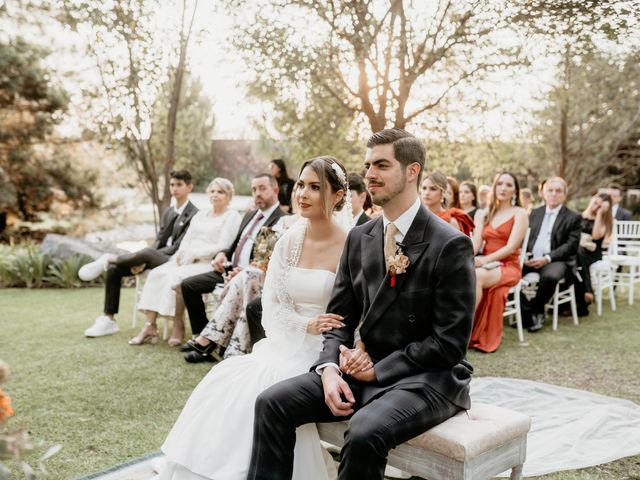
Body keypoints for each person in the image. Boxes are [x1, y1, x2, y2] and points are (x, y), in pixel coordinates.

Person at [248, 128, 475, 480]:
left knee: (365, 432)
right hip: (358, 370)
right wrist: (330, 369)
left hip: (427, 379)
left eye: (382, 165)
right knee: (272, 402)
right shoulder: (360, 236)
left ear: (412, 171)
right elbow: (339, 317)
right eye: (368, 164)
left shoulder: (450, 244)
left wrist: (378, 371)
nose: (369, 174)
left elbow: (449, 344)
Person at [154, 156, 350, 480]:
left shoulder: (350, 245)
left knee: (266, 388)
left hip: (323, 350)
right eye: (301, 184)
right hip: (287, 340)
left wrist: (325, 335)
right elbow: (270, 305)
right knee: (225, 377)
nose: (302, 193)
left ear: (338, 195)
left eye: (315, 187)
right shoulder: (289, 240)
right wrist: (304, 324)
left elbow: (355, 310)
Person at [81, 170, 198, 338]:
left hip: (174, 261)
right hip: (154, 258)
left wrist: (147, 256)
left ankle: (108, 258)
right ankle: (109, 319)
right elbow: (159, 241)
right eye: (172, 184)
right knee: (114, 269)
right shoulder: (168, 212)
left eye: (179, 185)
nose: (174, 188)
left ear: (189, 187)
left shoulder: (195, 214)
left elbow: (176, 248)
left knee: (145, 252)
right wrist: (145, 260)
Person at [130, 178, 241, 346]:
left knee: (175, 279)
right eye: (212, 191)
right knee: (156, 274)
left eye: (220, 192)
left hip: (207, 262)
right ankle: (150, 325)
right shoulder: (200, 215)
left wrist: (195, 253)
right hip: (186, 259)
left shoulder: (232, 216)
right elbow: (187, 239)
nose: (215, 195)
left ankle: (178, 326)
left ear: (228, 196)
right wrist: (181, 254)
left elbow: (224, 244)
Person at [178, 174, 286, 343]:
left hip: (252, 276)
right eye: (254, 189)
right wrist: (222, 255)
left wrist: (245, 270)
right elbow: (236, 243)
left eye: (262, 188)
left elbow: (273, 258)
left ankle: (209, 343)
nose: (257, 193)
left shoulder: (282, 220)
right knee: (188, 285)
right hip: (228, 269)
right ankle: (201, 335)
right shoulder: (250, 215)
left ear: (275, 190)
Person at [468, 172, 528, 353]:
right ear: (494, 187)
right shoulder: (484, 214)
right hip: (486, 264)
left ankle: (462, 329)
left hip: (508, 265)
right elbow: (476, 244)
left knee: (476, 276)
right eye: (500, 184)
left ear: (515, 190)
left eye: (509, 185)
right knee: (461, 273)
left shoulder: (520, 213)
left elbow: (511, 247)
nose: (503, 188)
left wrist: (484, 260)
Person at [521, 177, 581, 332]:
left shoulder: (573, 217)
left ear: (565, 195)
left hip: (555, 260)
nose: (554, 194)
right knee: (505, 273)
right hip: (529, 259)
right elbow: (525, 237)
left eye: (558, 191)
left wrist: (547, 258)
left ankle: (537, 310)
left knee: (550, 277)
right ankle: (527, 312)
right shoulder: (534, 213)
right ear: (543, 193)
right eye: (550, 190)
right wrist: (524, 254)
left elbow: (571, 246)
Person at [574, 192, 613, 315]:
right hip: (578, 253)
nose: (596, 207)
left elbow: (596, 235)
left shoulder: (604, 222)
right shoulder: (580, 216)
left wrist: (600, 214)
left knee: (578, 255)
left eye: (600, 206)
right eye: (596, 203)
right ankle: (587, 292)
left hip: (593, 254)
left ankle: (584, 297)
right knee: (575, 256)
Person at [421, 171, 474, 236]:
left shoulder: (451, 221)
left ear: (442, 193)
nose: (427, 193)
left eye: (433, 189)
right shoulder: (416, 217)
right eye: (424, 188)